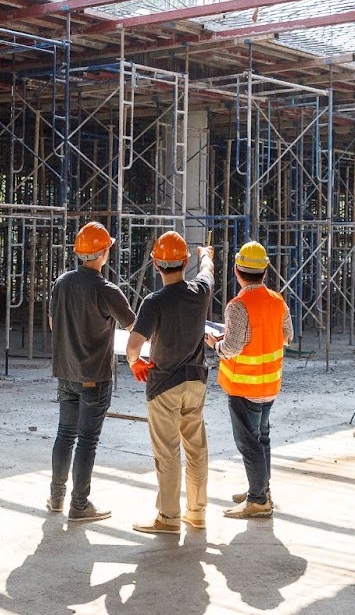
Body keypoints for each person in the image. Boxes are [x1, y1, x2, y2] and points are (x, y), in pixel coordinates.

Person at [125, 233, 215, 535]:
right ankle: (197, 513)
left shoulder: (154, 302)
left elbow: (134, 344)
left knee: (167, 452)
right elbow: (207, 271)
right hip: (196, 382)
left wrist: (134, 362)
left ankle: (168, 517)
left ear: (155, 263)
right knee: (197, 450)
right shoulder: (200, 291)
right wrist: (206, 255)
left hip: (164, 385)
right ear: (184, 261)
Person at [47, 221, 135, 523]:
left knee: (64, 435)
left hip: (66, 373)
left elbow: (52, 324)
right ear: (103, 252)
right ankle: (80, 505)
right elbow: (134, 327)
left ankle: (56, 498)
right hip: (93, 377)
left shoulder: (62, 283)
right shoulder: (106, 290)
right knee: (86, 441)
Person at [206, 240, 292, 519]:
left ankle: (257, 500)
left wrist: (214, 344)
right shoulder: (278, 300)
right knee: (262, 438)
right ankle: (261, 489)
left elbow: (231, 349)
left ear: (236, 271)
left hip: (245, 386)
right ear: (265, 271)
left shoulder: (238, 305)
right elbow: (286, 335)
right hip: (269, 385)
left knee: (248, 443)